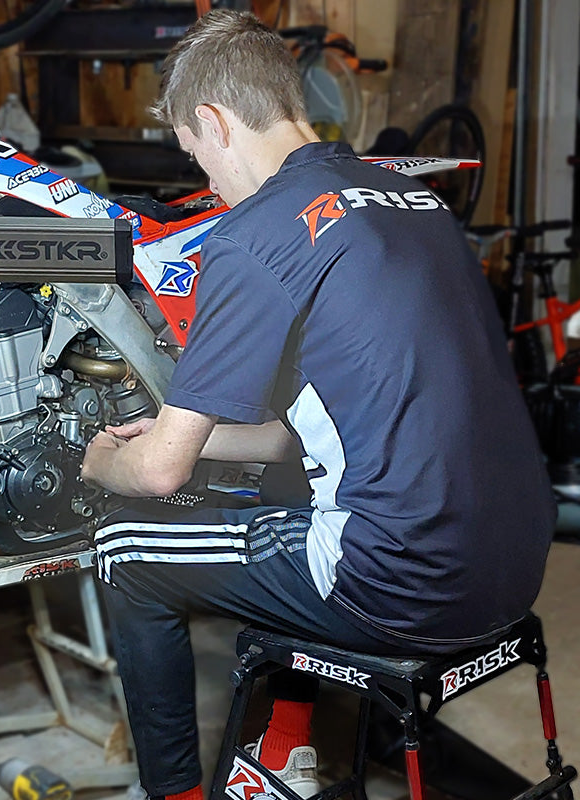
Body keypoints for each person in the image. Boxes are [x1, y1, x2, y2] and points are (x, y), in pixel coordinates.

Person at [80, 10, 556, 800]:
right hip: (516, 560)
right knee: (291, 491)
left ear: (214, 122)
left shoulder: (251, 234)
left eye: (197, 156)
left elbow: (160, 475)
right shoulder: (412, 198)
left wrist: (105, 460)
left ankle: (176, 795)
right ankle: (285, 750)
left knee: (126, 550)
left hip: (405, 582)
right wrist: (189, 437)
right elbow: (325, 432)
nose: (207, 184)